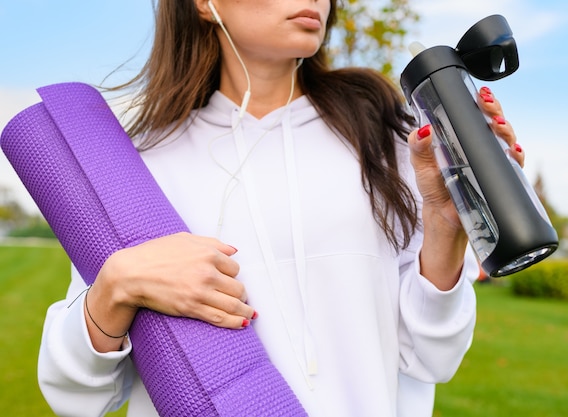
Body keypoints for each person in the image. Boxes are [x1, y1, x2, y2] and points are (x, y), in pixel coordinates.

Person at [37, 1, 523, 416]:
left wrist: (444, 228)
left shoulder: (387, 135)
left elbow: (432, 359)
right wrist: (116, 287)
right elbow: (76, 394)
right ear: (205, 3)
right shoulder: (137, 165)